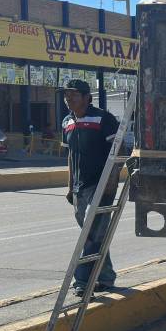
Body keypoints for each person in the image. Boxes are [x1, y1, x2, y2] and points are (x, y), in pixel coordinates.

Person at [60, 79, 119, 294]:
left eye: (74, 95)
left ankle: (83, 283)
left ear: (87, 98)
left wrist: (111, 182)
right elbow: (70, 155)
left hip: (99, 185)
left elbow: (118, 151)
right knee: (96, 235)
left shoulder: (105, 119)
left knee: (91, 234)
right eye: (66, 95)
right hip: (78, 189)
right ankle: (106, 277)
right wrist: (69, 187)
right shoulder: (67, 122)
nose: (68, 99)